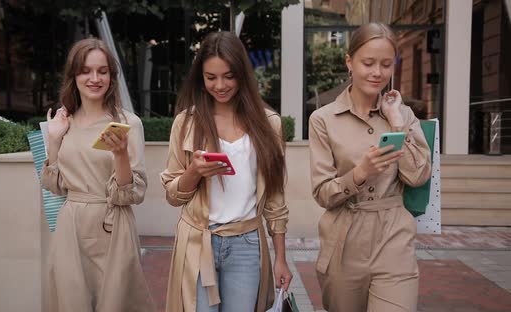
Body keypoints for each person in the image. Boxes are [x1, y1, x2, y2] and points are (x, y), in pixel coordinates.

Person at [160, 31, 293, 312]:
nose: (220, 85)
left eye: (229, 76)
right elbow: (173, 195)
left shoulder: (269, 124)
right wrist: (194, 172)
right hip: (198, 241)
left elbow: (276, 199)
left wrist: (281, 257)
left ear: (243, 74)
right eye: (211, 77)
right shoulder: (186, 123)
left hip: (247, 244)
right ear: (201, 78)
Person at [308, 22, 431, 312]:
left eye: (386, 65)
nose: (377, 72)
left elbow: (418, 175)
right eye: (368, 63)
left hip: (394, 239)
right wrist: (360, 173)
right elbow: (322, 194)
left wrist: (396, 123)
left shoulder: (403, 114)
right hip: (344, 243)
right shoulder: (323, 119)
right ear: (349, 62)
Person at [41, 38, 155, 312]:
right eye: (86, 71)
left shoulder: (128, 123)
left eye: (102, 71)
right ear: (74, 76)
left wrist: (120, 155)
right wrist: (54, 140)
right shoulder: (61, 123)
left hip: (114, 226)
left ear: (111, 77)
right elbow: (54, 186)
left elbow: (134, 192)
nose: (95, 78)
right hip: (72, 227)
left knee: (116, 302)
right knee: (72, 301)